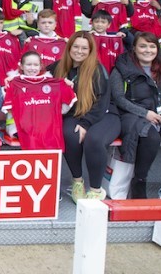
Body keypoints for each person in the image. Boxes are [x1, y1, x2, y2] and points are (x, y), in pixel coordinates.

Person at [110, 31, 161, 199]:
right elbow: (118, 98)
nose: (147, 50)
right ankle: (139, 182)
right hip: (133, 115)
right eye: (142, 46)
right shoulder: (122, 68)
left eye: (151, 46)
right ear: (134, 48)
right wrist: (145, 113)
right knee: (150, 136)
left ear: (157, 49)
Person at [50, 32, 120, 202]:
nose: (79, 51)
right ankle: (77, 181)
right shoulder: (57, 68)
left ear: (90, 51)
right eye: (76, 46)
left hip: (104, 115)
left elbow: (101, 103)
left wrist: (86, 124)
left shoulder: (97, 69)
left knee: (93, 140)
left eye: (84, 48)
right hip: (76, 114)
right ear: (69, 47)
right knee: (69, 134)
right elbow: (36, 78)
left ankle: (96, 189)